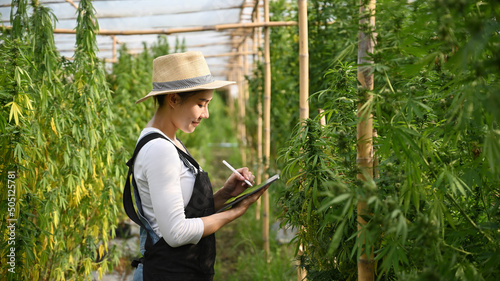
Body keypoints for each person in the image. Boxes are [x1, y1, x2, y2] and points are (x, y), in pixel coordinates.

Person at [124, 51, 266, 281]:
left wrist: (225, 194)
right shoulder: (160, 150)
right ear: (173, 99)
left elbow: (183, 213)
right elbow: (176, 233)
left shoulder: (169, 141)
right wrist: (233, 213)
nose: (206, 114)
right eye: (201, 104)